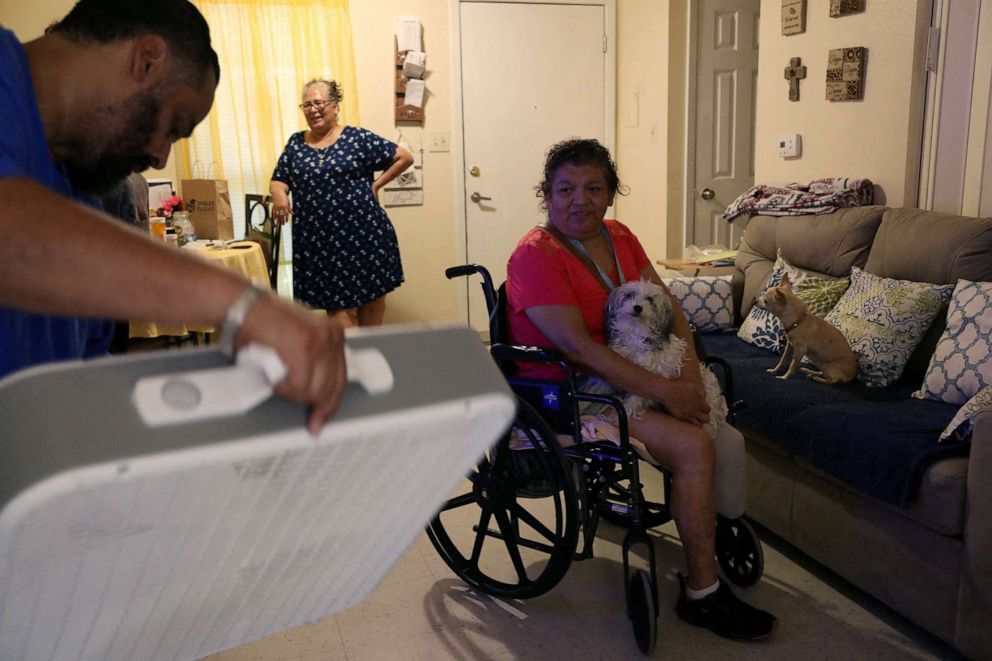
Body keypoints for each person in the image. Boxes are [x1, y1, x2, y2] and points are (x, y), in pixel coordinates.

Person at [0, 0, 345, 434]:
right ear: (146, 60)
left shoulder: (78, 190)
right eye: (172, 124)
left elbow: (78, 376)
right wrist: (247, 306)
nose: (159, 157)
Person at [506, 138, 777, 641]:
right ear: (546, 194)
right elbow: (579, 349)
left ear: (610, 194)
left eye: (593, 188)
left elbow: (668, 308)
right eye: (565, 188)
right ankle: (702, 594)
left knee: (723, 435)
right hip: (571, 391)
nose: (578, 199)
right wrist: (668, 393)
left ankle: (703, 531)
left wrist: (690, 379)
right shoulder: (534, 256)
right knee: (695, 444)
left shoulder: (619, 236)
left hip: (636, 371)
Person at [269, 79, 414, 328]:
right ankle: (351, 365)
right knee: (337, 311)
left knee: (372, 305)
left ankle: (372, 363)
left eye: (318, 103)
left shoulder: (357, 138)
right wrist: (281, 198)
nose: (312, 109)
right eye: (306, 105)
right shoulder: (296, 143)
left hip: (365, 236)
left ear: (335, 106)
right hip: (320, 243)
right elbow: (279, 179)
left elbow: (404, 156)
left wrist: (377, 185)